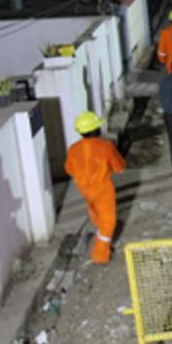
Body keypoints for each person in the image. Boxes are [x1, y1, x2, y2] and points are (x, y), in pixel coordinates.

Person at [64, 111, 126, 264]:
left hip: (85, 190)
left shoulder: (73, 149)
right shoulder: (105, 146)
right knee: (108, 222)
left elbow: (69, 169)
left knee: (96, 215)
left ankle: (101, 237)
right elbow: (119, 167)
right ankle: (100, 254)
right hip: (103, 189)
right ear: (95, 130)